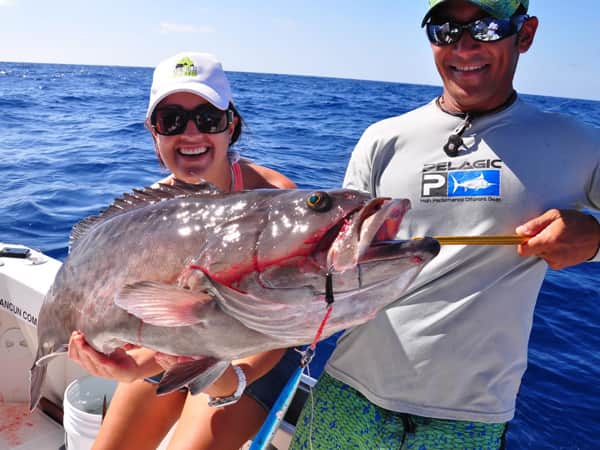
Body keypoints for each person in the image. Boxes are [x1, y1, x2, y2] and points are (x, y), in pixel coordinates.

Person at [290, 1, 600, 449]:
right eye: (445, 28)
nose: (465, 43)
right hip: (351, 388)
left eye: (487, 27)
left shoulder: (578, 143)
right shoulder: (383, 139)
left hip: (468, 415)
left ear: (526, 34)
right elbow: (337, 264)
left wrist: (594, 239)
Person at [68, 51, 300, 450]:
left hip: (253, 357)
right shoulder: (147, 214)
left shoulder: (277, 200)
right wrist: (129, 367)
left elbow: (282, 327)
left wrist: (231, 378)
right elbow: (152, 321)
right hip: (170, 347)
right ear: (153, 131)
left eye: (208, 118)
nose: (191, 133)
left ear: (232, 125)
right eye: (171, 120)